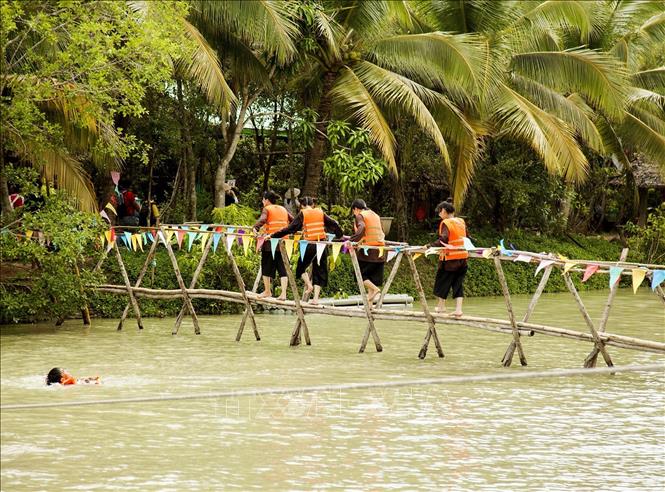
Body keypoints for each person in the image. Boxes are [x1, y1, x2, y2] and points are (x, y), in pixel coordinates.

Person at [271, 196, 343, 304]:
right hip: (322, 244)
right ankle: (315, 299)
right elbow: (334, 223)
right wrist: (339, 235)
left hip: (310, 245)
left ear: (302, 206)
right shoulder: (320, 212)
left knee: (300, 269)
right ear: (313, 205)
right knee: (320, 270)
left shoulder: (303, 213)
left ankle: (309, 285)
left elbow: (291, 228)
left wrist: (274, 235)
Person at [430, 199, 468, 317]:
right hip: (462, 258)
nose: (440, 215)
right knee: (458, 284)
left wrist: (429, 246)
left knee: (442, 282)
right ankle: (458, 310)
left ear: (444, 211)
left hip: (450, 259)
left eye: (440, 212)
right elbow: (467, 237)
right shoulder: (460, 221)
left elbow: (443, 239)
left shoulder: (447, 223)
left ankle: (441, 307)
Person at [253, 190, 293, 300]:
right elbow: (294, 221)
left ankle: (267, 291)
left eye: (263, 199)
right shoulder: (283, 209)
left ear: (266, 200)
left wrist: (255, 228)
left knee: (266, 265)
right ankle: (283, 294)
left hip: (270, 242)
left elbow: (262, 219)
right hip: (283, 242)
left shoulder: (267, 209)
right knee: (282, 267)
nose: (262, 201)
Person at [349, 199, 385, 304]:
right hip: (380, 252)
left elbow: (362, 227)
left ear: (355, 209)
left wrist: (351, 240)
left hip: (368, 252)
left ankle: (375, 289)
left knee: (359, 275)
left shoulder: (360, 216)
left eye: (353, 211)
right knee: (370, 278)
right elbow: (382, 232)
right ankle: (370, 306)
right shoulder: (375, 215)